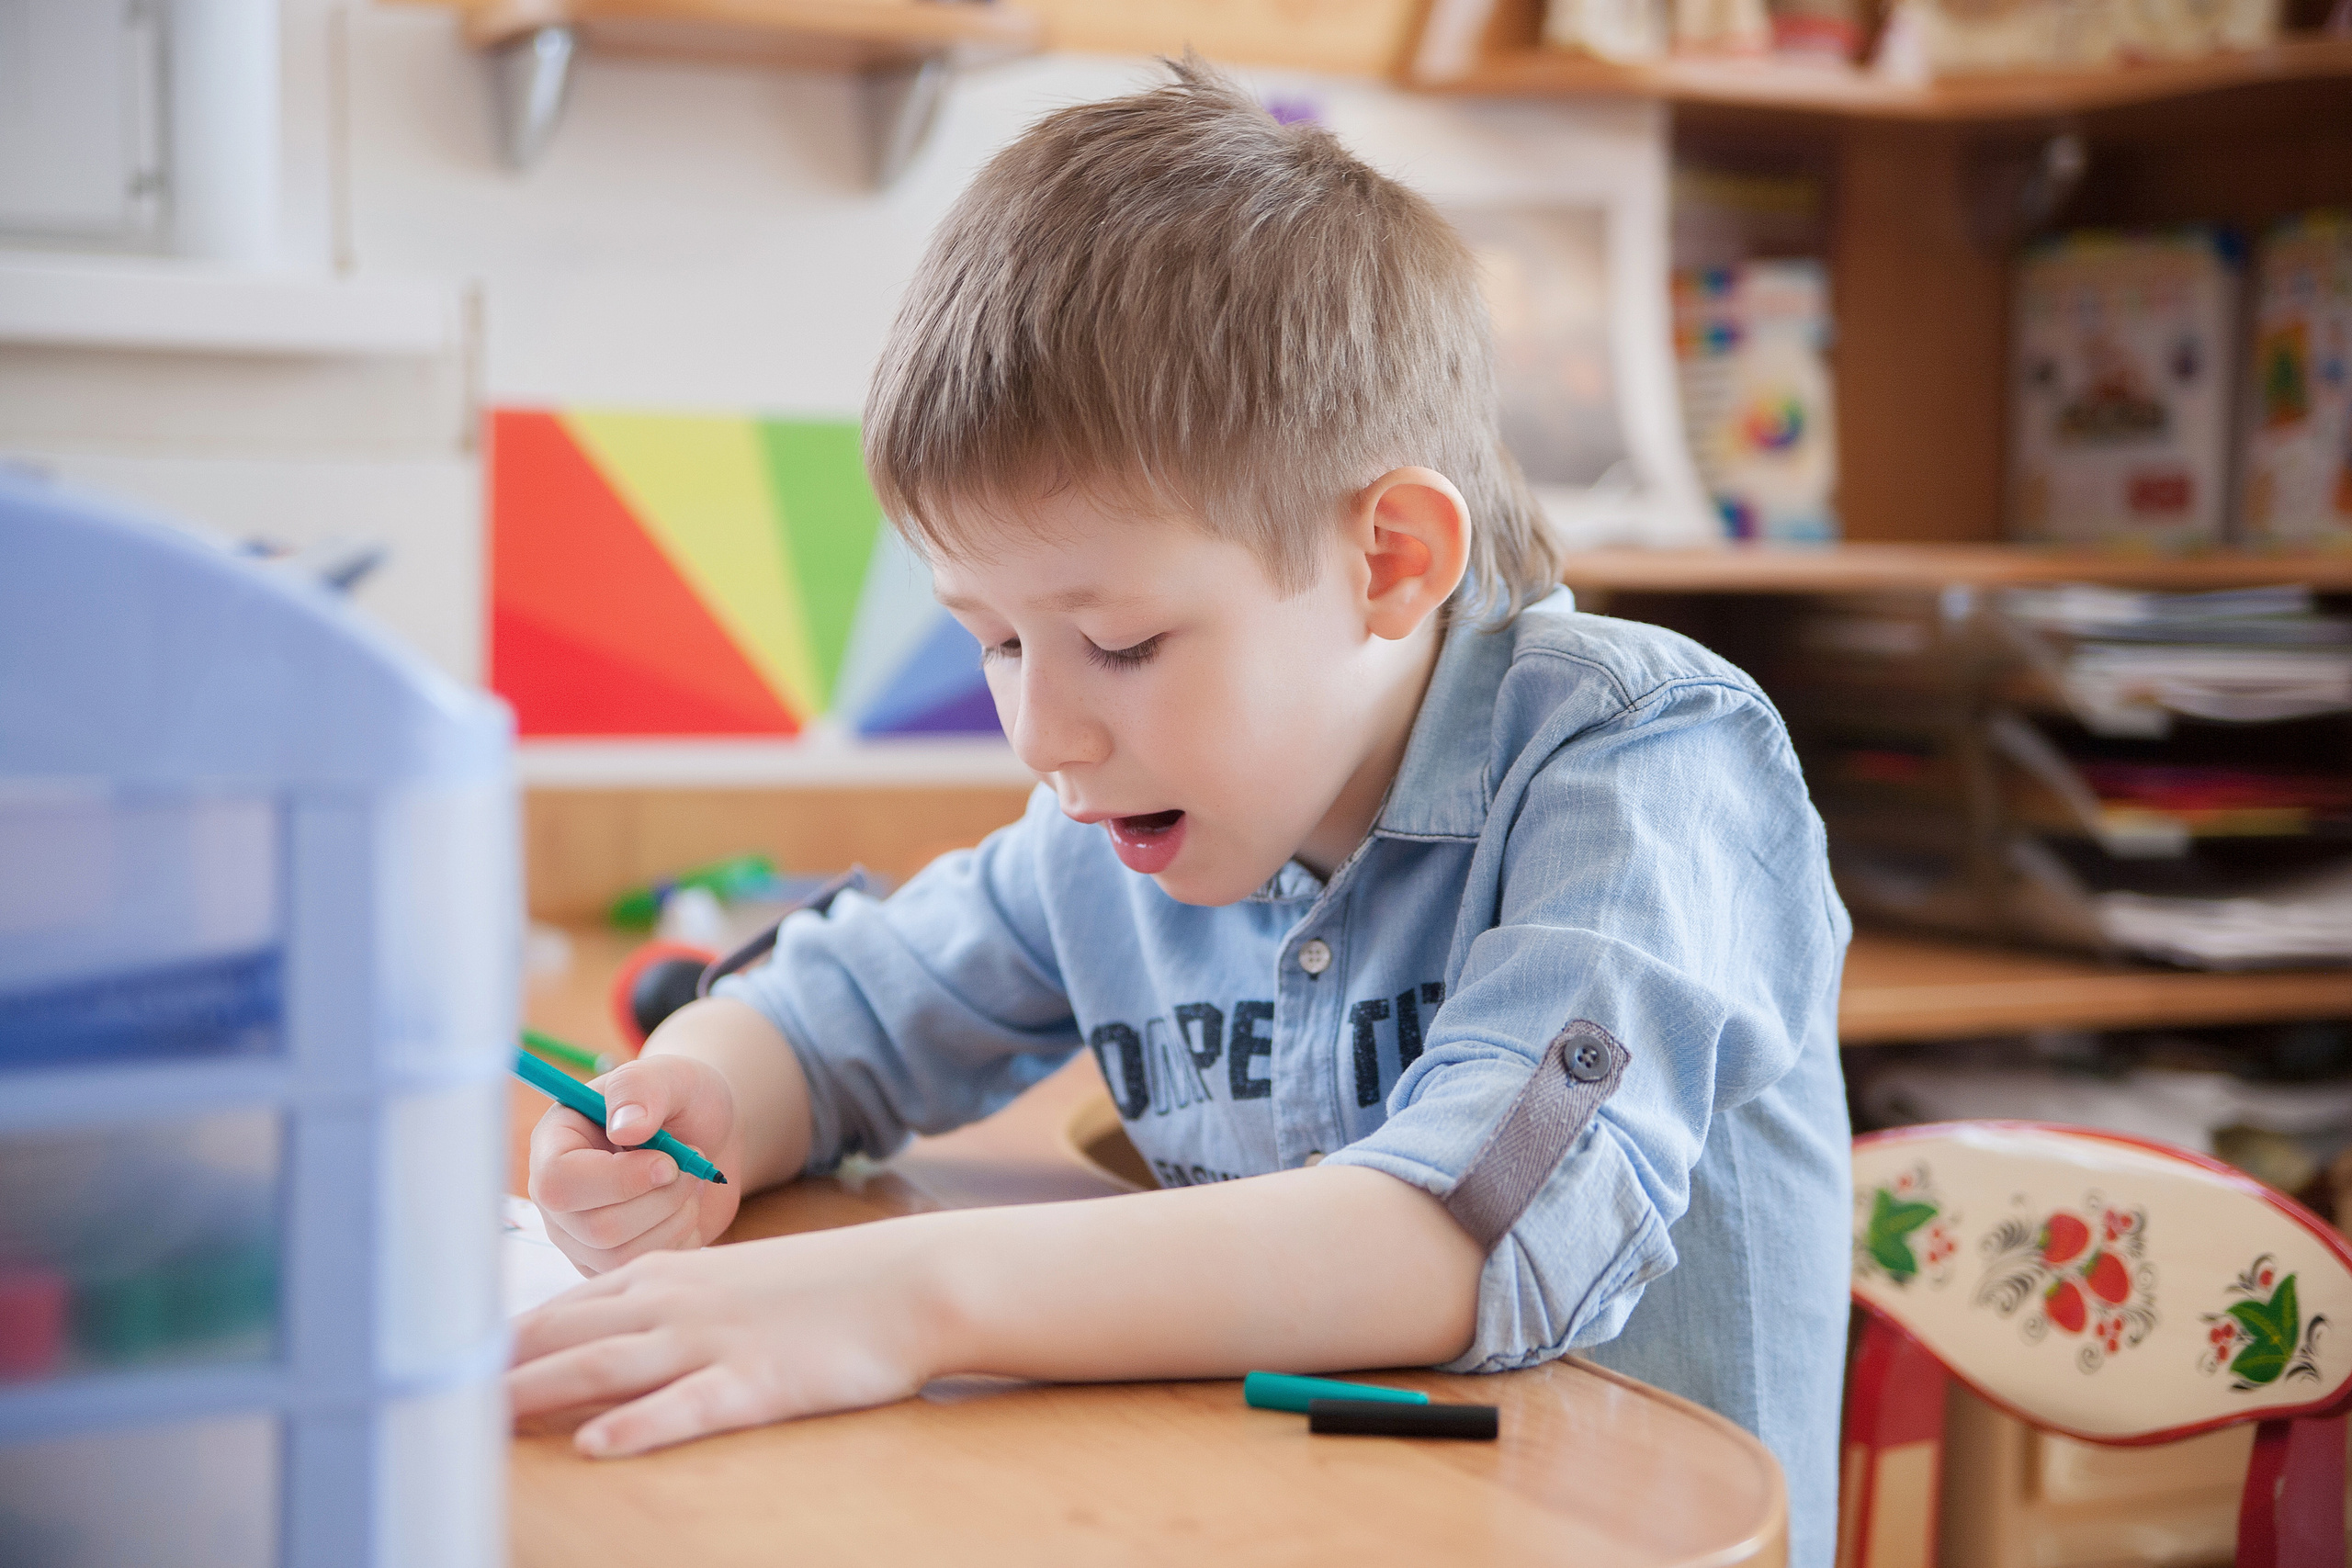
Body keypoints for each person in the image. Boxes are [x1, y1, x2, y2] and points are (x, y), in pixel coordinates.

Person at [510, 59, 1852, 1564]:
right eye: (996, 641)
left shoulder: (1642, 760)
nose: (1042, 730)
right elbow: (841, 1017)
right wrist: (699, 1096)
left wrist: (910, 1296)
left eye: (1124, 645)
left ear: (1389, 562)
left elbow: (1465, 1235)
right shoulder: (1133, 816)